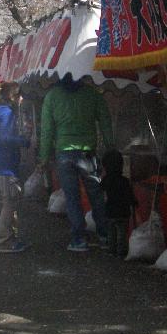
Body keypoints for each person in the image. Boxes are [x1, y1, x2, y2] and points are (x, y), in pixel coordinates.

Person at [38, 74, 114, 252]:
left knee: (72, 197)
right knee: (95, 195)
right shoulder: (91, 94)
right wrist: (110, 145)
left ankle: (79, 239)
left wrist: (43, 157)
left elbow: (47, 130)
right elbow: (105, 119)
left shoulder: (52, 96)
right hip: (88, 152)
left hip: (64, 154)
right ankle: (104, 236)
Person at [0, 82, 30, 253]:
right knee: (9, 203)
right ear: (13, 96)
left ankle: (10, 239)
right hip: (5, 165)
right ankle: (4, 242)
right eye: (20, 96)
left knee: (6, 203)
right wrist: (23, 141)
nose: (21, 99)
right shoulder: (6, 113)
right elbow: (4, 138)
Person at [101, 150, 137, 258]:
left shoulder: (106, 180)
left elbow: (100, 190)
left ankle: (111, 249)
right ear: (121, 165)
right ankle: (121, 251)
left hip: (110, 211)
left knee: (111, 232)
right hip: (123, 212)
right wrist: (134, 203)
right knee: (122, 233)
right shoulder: (125, 181)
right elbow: (130, 195)